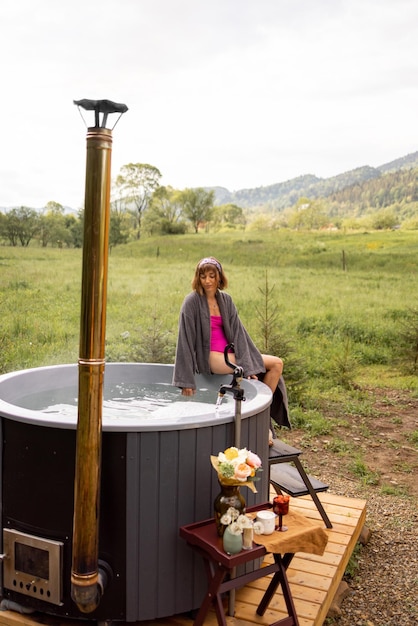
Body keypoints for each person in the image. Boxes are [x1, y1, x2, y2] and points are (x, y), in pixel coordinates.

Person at [172, 256, 289, 436]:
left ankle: (261, 420)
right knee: (253, 371)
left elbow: (239, 334)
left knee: (276, 364)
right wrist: (185, 379)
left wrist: (249, 366)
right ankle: (261, 429)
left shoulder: (226, 300)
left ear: (219, 277)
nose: (208, 281)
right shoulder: (192, 302)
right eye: (203, 277)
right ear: (198, 278)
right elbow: (185, 339)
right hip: (210, 356)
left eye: (212, 276)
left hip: (230, 352)